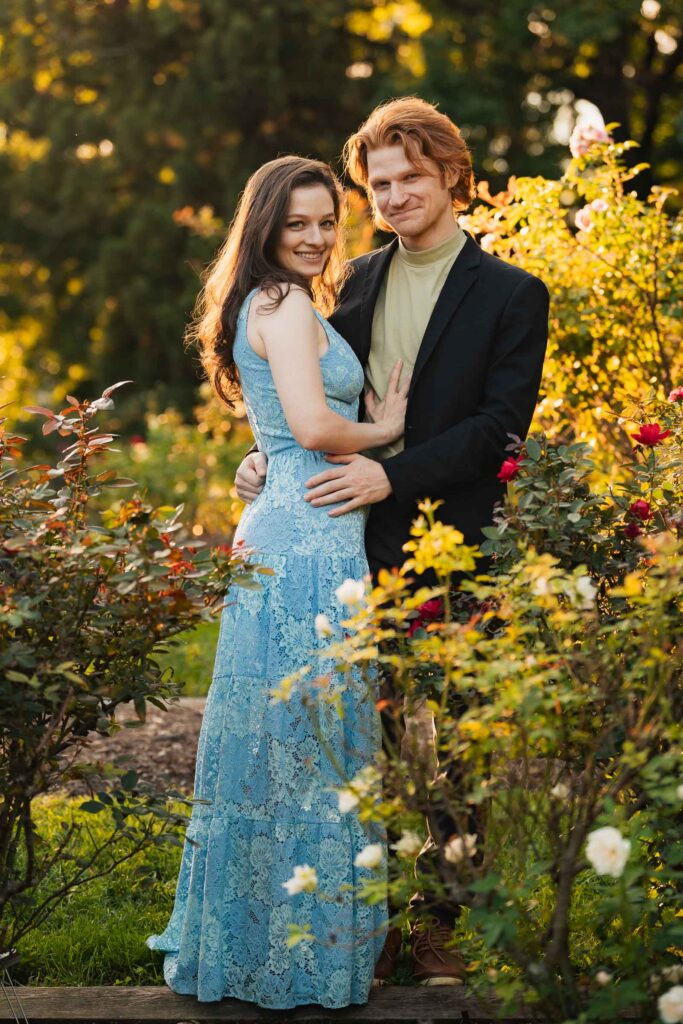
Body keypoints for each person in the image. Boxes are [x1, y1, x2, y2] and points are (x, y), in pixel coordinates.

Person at [235, 97, 550, 986]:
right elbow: (315, 401)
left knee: (456, 740)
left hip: (451, 544)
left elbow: (498, 428)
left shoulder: (512, 294)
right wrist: (264, 461)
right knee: (351, 738)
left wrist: (393, 474)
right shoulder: (358, 281)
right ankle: (353, 922)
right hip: (344, 542)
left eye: (410, 175)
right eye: (378, 182)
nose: (395, 193)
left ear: (450, 173)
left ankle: (445, 924)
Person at [146, 155, 412, 1009]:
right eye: (296, 222)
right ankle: (297, 961)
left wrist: (266, 458)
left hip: (292, 524)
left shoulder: (265, 303)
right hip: (307, 542)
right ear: (264, 226)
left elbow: (277, 431)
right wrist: (391, 424)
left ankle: (253, 951)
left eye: (326, 221)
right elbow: (308, 425)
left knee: (275, 748)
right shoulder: (287, 302)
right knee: (308, 747)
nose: (314, 237)